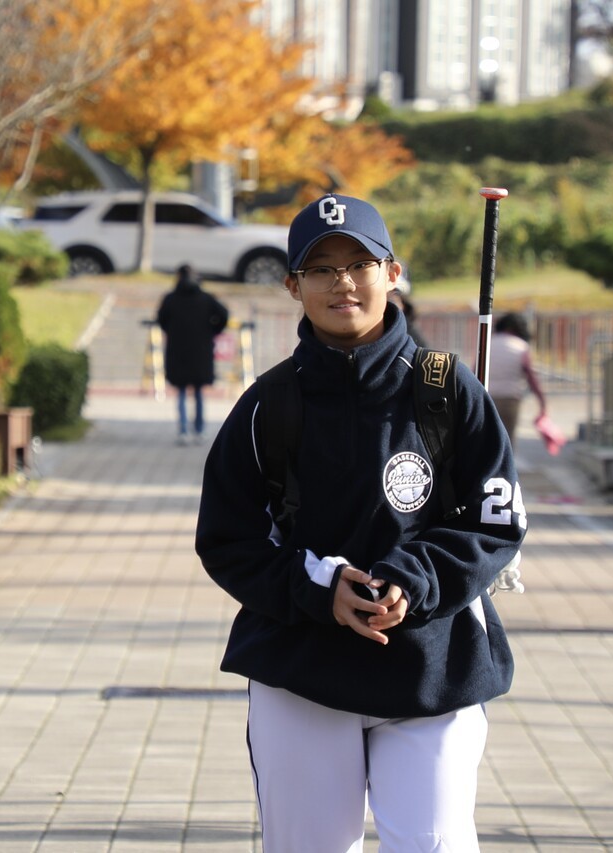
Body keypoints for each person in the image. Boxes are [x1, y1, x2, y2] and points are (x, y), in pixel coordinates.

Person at [196, 193, 527, 852]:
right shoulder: (269, 402)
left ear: (392, 273)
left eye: (359, 263)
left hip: (433, 669)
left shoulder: (447, 388)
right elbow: (226, 539)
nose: (341, 282)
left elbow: (494, 521)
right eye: (319, 269)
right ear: (292, 285)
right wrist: (317, 587)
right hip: (301, 671)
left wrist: (414, 579)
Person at [156, 264, 229, 445]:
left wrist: (172, 331)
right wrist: (213, 330)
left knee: (180, 391)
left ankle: (183, 430)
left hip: (177, 350)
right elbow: (224, 314)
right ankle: (200, 429)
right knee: (198, 392)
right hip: (201, 351)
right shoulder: (205, 298)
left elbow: (161, 320)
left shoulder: (170, 299)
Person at [489, 312, 548, 450]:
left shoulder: (488, 344)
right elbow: (531, 378)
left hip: (488, 398)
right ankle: (505, 470)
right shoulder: (521, 347)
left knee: (488, 439)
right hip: (510, 400)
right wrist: (542, 402)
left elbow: (475, 371)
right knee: (507, 442)